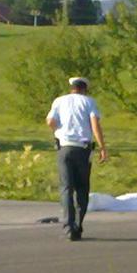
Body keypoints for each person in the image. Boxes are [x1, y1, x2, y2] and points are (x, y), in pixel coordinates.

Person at [46, 77, 107, 241]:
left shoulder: (59, 101)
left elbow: (50, 121)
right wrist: (102, 147)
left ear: (71, 88)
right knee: (82, 188)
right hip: (83, 149)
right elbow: (95, 124)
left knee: (66, 188)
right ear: (85, 89)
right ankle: (78, 226)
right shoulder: (89, 102)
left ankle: (68, 227)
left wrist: (58, 130)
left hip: (64, 147)